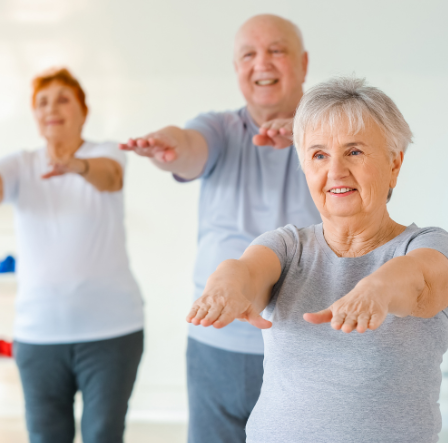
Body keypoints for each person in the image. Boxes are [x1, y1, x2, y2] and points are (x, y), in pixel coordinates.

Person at [187, 77, 448, 443]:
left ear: (394, 163)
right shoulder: (288, 246)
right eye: (319, 155)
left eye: (354, 152)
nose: (335, 171)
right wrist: (226, 286)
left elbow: (418, 280)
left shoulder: (426, 244)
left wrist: (375, 291)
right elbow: (247, 270)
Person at [119, 14, 320, 443]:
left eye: (276, 51)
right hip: (219, 342)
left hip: (307, 342)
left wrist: (310, 139)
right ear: (236, 69)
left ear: (303, 64)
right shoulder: (221, 128)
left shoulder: (331, 131)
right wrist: (167, 146)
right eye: (248, 54)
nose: (261, 63)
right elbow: (190, 146)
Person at [0, 68, 144, 443]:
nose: (51, 108)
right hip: (39, 335)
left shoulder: (105, 152)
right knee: (45, 436)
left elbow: (109, 177)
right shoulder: (22, 163)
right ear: (35, 115)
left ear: (82, 110)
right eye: (42, 102)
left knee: (103, 434)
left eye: (63, 99)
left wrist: (75, 165)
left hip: (111, 332)